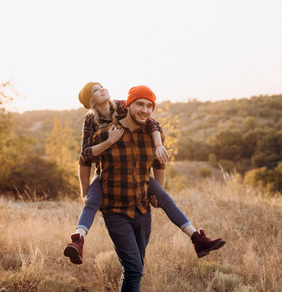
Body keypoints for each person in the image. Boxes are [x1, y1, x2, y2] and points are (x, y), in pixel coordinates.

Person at [63, 83, 225, 269]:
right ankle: (78, 239)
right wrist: (109, 143)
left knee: (164, 197)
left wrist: (158, 145)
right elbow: (85, 155)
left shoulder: (123, 106)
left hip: (136, 173)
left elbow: (152, 121)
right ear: (91, 101)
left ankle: (197, 238)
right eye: (95, 91)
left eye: (102, 86)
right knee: (91, 201)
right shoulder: (90, 120)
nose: (102, 89)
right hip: (107, 175)